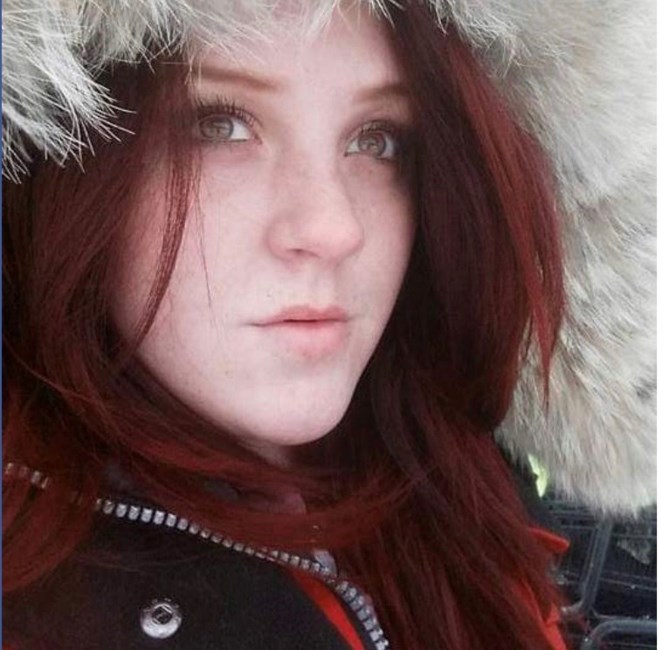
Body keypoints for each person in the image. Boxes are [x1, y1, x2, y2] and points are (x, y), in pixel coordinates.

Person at [2, 1, 655, 649]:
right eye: (219, 124)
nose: (335, 228)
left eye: (377, 139)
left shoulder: (457, 473)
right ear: (57, 161)